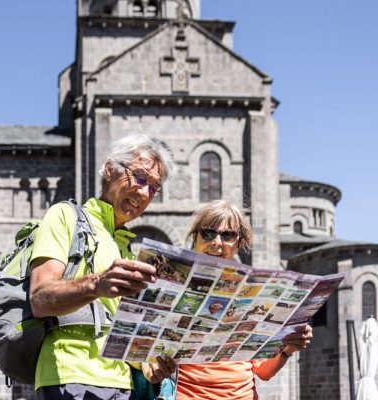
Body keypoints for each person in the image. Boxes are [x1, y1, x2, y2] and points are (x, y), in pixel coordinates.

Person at [28, 133, 177, 400]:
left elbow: (119, 332)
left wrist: (148, 366)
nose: (144, 192)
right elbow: (40, 299)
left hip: (122, 385)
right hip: (70, 376)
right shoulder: (65, 216)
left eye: (153, 187)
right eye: (140, 177)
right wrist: (96, 284)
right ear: (110, 170)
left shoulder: (124, 245)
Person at [142, 200, 314, 400]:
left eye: (228, 235)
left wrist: (288, 348)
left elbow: (263, 371)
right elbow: (146, 352)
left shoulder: (255, 293)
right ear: (195, 238)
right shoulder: (172, 285)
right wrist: (150, 367)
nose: (216, 242)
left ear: (239, 243)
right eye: (208, 233)